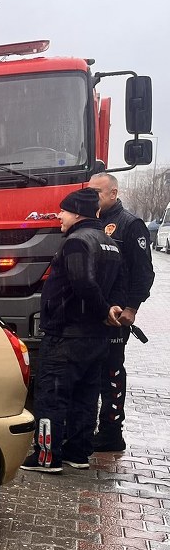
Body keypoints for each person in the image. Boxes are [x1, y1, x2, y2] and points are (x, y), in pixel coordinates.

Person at [21, 187, 124, 474]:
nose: (59, 216)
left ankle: (46, 457)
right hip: (96, 337)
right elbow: (120, 286)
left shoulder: (77, 242)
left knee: (52, 397)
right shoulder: (110, 242)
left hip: (67, 334)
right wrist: (111, 309)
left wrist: (103, 309)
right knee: (85, 397)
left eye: (63, 211)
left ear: (77, 212)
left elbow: (83, 283)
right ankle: (78, 453)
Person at [87, 172, 155, 452]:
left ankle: (112, 432)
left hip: (117, 316)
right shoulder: (91, 221)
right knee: (91, 370)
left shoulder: (130, 225)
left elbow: (143, 271)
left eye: (99, 193)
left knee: (112, 372)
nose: (94, 197)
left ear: (113, 193)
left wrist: (132, 307)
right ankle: (87, 428)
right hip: (94, 311)